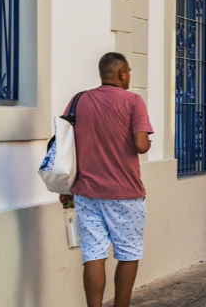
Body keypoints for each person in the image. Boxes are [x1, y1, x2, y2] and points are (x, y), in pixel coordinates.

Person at [58, 53, 153, 307]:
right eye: (129, 72)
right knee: (128, 254)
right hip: (125, 193)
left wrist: (66, 186)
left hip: (86, 193)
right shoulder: (133, 101)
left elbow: (66, 144)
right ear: (122, 73)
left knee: (93, 255)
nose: (130, 76)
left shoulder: (79, 100)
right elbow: (141, 145)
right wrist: (148, 142)